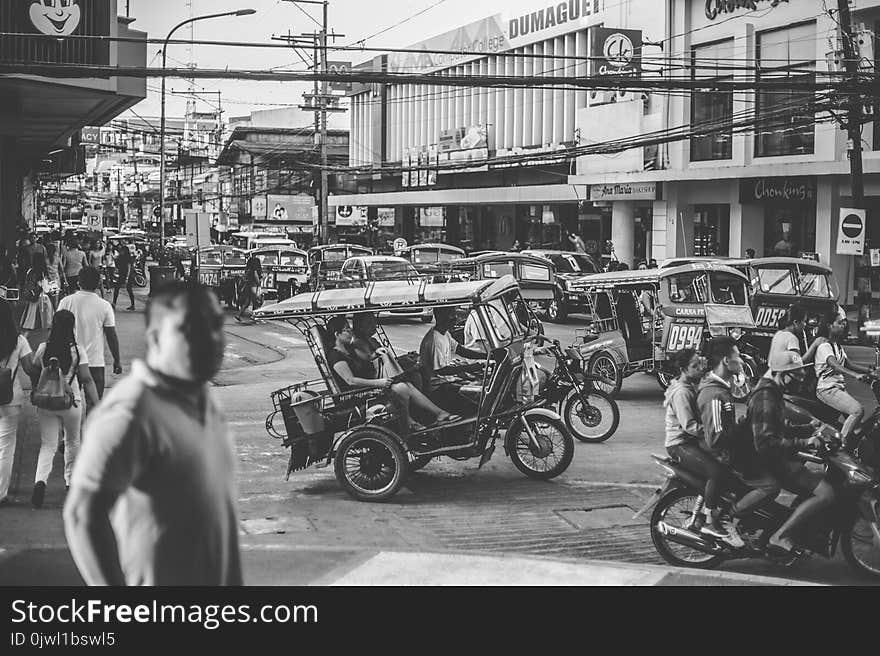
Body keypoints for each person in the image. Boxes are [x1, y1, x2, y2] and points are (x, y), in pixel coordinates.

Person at [64, 281, 242, 585]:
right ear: (156, 337)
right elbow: (82, 515)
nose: (212, 339)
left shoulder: (204, 399)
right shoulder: (132, 409)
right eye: (192, 329)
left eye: (216, 326)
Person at [747, 350, 833, 554]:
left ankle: (796, 530)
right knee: (826, 493)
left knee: (818, 481)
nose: (800, 381)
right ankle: (780, 536)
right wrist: (805, 442)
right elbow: (767, 442)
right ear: (781, 375)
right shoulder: (766, 397)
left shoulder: (773, 393)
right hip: (770, 461)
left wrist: (809, 429)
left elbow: (780, 428)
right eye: (796, 376)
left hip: (777, 456)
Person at [697, 337, 780, 540]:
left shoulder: (723, 389)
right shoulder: (714, 394)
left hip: (733, 452)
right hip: (728, 458)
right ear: (726, 361)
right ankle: (728, 517)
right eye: (738, 357)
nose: (742, 362)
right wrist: (742, 432)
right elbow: (717, 439)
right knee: (771, 486)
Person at [325, 315, 455, 435]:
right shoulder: (335, 356)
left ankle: (437, 413)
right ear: (337, 334)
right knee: (401, 388)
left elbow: (367, 359)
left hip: (368, 386)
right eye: (347, 329)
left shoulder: (348, 349)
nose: (351, 331)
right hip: (356, 393)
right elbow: (351, 380)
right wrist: (378, 382)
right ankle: (409, 423)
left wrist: (376, 354)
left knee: (406, 385)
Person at [664, 349, 741, 546]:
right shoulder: (681, 392)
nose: (700, 369)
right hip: (679, 444)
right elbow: (689, 426)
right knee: (716, 472)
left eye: (700, 364)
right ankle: (710, 520)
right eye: (694, 366)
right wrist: (713, 431)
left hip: (692, 441)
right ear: (683, 369)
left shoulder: (692, 385)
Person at [30, 310, 101, 509]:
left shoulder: (43, 349)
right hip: (71, 402)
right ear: (72, 327)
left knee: (48, 444)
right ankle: (70, 483)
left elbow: (35, 372)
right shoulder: (78, 351)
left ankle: (40, 481)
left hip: (46, 402)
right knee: (72, 442)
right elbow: (87, 380)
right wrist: (97, 403)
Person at [58, 267, 122, 401]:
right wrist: (117, 360)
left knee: (68, 403)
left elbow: (56, 330)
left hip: (69, 360)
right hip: (94, 362)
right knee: (94, 404)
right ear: (99, 283)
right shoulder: (104, 306)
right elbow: (111, 336)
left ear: (78, 282)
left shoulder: (66, 302)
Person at [814, 314, 873, 450]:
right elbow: (835, 365)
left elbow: (849, 364)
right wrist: (855, 375)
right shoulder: (825, 346)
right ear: (829, 325)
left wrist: (871, 371)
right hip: (827, 389)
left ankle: (854, 449)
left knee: (858, 427)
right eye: (839, 323)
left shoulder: (837, 346)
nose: (843, 325)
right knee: (858, 411)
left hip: (837, 388)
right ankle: (838, 447)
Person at [0, 299, 39, 506]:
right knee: (6, 446)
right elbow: (31, 368)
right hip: (10, 398)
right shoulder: (18, 341)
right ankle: (1, 491)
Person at [420, 306, 486, 415]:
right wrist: (470, 368)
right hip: (437, 388)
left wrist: (485, 356)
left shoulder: (445, 334)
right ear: (442, 317)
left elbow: (460, 350)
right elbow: (442, 370)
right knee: (475, 404)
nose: (455, 318)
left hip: (447, 382)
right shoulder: (435, 340)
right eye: (452, 315)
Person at [766, 303, 825, 370]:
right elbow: (799, 363)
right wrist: (814, 345)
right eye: (804, 321)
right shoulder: (791, 338)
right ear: (795, 322)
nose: (805, 325)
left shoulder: (778, 334)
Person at [20, 253, 53, 340]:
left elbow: (27, 283)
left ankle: (25, 338)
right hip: (43, 297)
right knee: (46, 320)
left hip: (33, 296)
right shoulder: (44, 272)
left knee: (30, 318)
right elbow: (45, 286)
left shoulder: (30, 271)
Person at [235, 255, 262, 323]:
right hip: (254, 285)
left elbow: (245, 276)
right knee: (256, 301)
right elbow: (256, 275)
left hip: (248, 285)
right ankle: (255, 316)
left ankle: (238, 314)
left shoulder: (248, 269)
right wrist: (259, 283)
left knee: (247, 302)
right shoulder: (255, 269)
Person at [112, 243, 135, 311]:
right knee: (117, 288)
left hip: (128, 275)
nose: (121, 252)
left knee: (129, 289)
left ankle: (133, 304)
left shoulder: (128, 258)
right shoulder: (120, 257)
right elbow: (118, 266)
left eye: (122, 251)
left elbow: (129, 268)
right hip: (122, 274)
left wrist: (127, 278)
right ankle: (114, 303)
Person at [44, 242, 66, 310]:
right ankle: (55, 314)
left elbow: (43, 271)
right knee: (55, 301)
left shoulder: (44, 259)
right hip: (56, 280)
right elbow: (62, 270)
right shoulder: (58, 259)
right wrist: (64, 280)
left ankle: (49, 315)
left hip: (47, 280)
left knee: (48, 300)